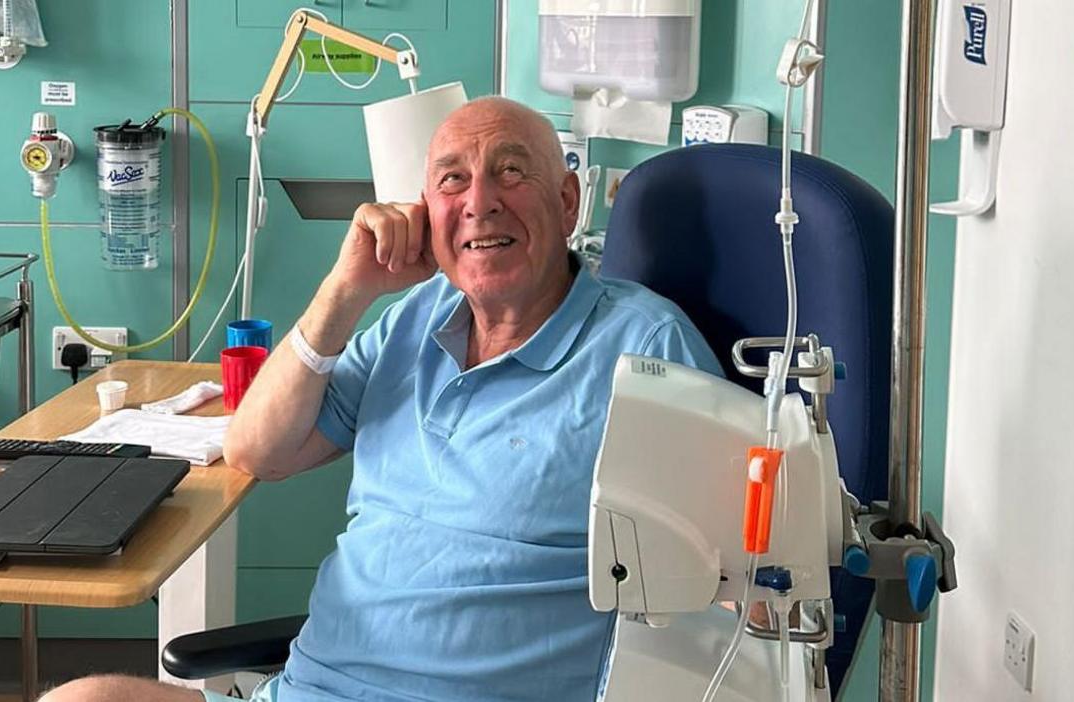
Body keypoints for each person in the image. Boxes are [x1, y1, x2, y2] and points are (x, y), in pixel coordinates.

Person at [41, 96, 721, 702]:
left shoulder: (645, 350)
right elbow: (257, 451)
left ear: (568, 201)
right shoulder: (414, 319)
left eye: (512, 172)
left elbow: (723, 586)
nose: (480, 201)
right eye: (453, 179)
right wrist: (347, 289)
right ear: (427, 212)